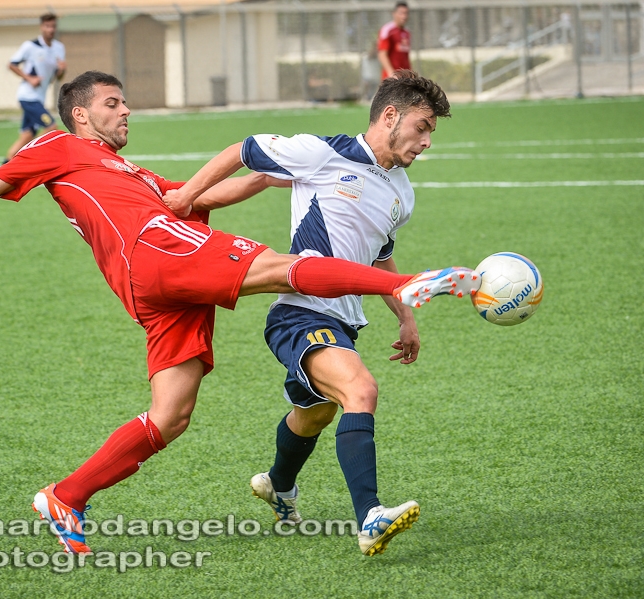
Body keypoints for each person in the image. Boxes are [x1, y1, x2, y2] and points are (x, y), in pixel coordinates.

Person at [0, 70, 478, 556]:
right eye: (112, 103)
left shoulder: (127, 169)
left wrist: (267, 179)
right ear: (81, 113)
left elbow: (198, 196)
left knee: (171, 415)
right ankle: (411, 283)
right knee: (282, 268)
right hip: (153, 252)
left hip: (157, 281)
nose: (125, 110)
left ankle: (66, 497)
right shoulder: (57, 145)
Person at [166, 70, 465, 556]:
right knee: (360, 389)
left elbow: (379, 256)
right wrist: (185, 197)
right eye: (423, 126)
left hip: (344, 319)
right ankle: (370, 517)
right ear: (389, 115)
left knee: (315, 414)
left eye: (432, 131)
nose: (427, 141)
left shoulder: (402, 193)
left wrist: (404, 316)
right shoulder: (324, 153)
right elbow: (245, 150)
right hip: (300, 312)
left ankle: (278, 484)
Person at [4, 13, 66, 163]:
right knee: (51, 126)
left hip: (39, 98)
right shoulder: (30, 46)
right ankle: (29, 158)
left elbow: (57, 78)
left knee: (26, 137)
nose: (50, 29)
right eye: (47, 26)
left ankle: (2, 169)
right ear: (41, 27)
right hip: (27, 97)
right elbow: (12, 64)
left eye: (53, 26)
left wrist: (62, 70)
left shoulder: (59, 48)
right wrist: (29, 78)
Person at [377, 2, 412, 80]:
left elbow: (406, 57)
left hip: (405, 78)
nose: (404, 16)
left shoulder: (407, 32)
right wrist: (391, 73)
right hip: (392, 78)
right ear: (394, 14)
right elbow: (382, 54)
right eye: (401, 13)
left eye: (406, 13)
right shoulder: (387, 30)